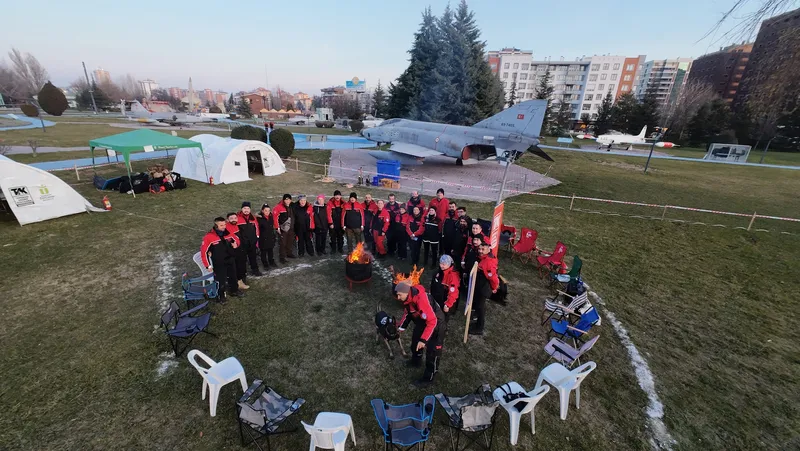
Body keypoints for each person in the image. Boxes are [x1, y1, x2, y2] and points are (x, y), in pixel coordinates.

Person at [395, 280, 446, 387]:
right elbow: (408, 314)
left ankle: (429, 378)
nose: (398, 298)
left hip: (436, 324)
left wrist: (423, 340)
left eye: (399, 295)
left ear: (406, 292)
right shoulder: (408, 299)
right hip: (423, 321)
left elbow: (432, 321)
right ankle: (416, 361)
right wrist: (400, 327)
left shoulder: (421, 299)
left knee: (433, 352)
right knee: (415, 342)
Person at [200, 217, 243, 301]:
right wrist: (207, 265)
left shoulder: (228, 232)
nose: (224, 227)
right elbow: (204, 252)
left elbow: (237, 239)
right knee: (221, 280)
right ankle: (221, 296)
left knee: (233, 276)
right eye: (221, 225)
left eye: (224, 224)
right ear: (216, 226)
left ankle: (234, 290)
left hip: (230, 259)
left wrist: (236, 244)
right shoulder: (209, 237)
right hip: (219, 262)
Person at [470, 240, 500, 336]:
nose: (480, 251)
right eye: (479, 249)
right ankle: (477, 322)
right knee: (479, 306)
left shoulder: (488, 263)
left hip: (484, 288)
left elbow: (493, 278)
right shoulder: (484, 257)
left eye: (483, 249)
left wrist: (494, 287)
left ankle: (479, 328)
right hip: (480, 285)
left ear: (488, 249)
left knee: (481, 307)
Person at [430, 254, 460, 320]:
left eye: (444, 264)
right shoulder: (440, 271)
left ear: (449, 264)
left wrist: (448, 305)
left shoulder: (453, 277)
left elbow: (453, 292)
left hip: (446, 299)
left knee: (443, 317)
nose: (441, 266)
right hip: (438, 298)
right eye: (440, 263)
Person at [237, 202, 262, 277]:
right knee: (242, 259)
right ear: (241, 209)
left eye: (248, 208)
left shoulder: (253, 217)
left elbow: (256, 227)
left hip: (252, 242)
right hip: (242, 243)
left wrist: (257, 238)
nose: (246, 210)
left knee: (253, 257)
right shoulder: (237, 218)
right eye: (244, 208)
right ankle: (243, 273)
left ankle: (255, 270)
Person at [226, 213, 249, 291]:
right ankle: (238, 283)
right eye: (231, 218)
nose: (234, 220)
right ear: (227, 220)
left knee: (241, 264)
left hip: (240, 249)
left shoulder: (236, 226)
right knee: (236, 266)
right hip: (233, 251)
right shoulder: (226, 227)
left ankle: (241, 280)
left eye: (235, 218)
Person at [273, 194, 297, 263]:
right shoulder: (278, 207)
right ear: (283, 200)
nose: (287, 201)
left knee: (290, 241)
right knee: (283, 243)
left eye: (289, 199)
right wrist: (277, 227)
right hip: (283, 228)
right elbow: (275, 218)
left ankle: (289, 253)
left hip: (291, 228)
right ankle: (282, 257)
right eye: (286, 199)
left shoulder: (292, 205)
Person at [256, 204, 277, 270]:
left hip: (270, 236)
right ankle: (265, 263)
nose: (267, 212)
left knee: (270, 250)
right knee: (263, 252)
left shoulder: (271, 216)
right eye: (265, 210)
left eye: (268, 210)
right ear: (262, 211)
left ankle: (271, 261)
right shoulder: (259, 218)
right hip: (263, 238)